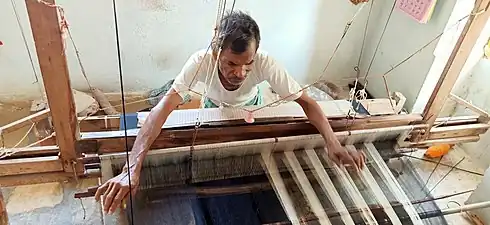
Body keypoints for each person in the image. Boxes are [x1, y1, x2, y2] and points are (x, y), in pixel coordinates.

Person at [96, 9, 367, 215]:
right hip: (215, 107)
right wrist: (132, 167)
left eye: (248, 64)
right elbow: (161, 110)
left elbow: (307, 102)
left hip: (253, 105)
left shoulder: (266, 64)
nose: (240, 73)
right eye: (231, 64)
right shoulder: (200, 62)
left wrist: (332, 143)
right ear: (216, 52)